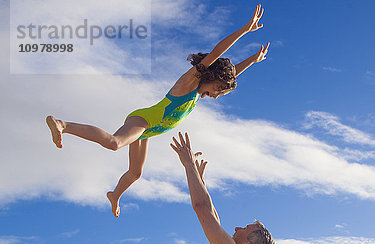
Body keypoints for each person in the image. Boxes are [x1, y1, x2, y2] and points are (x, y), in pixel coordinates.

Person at [46, 5, 269, 218]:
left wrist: (253, 60)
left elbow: (231, 75)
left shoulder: (199, 93)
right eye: (218, 90)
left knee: (135, 173)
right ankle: (63, 125)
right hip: (143, 119)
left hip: (148, 131)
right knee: (114, 143)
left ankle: (115, 195)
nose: (217, 96)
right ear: (212, 77)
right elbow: (218, 52)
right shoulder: (190, 82)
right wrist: (244, 30)